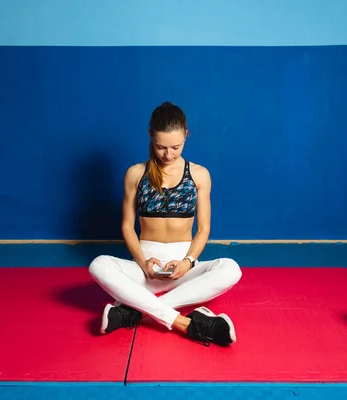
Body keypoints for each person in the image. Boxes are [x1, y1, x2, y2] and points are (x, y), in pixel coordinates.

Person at [89, 101, 242, 347]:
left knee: (231, 269)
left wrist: (187, 262)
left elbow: (203, 229)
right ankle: (187, 323)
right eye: (161, 147)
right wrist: (142, 262)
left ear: (186, 137)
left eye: (175, 147)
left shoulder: (200, 174)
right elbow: (127, 226)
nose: (168, 154)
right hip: (144, 268)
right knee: (98, 265)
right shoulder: (135, 174)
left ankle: (135, 311)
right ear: (150, 136)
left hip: (183, 268)